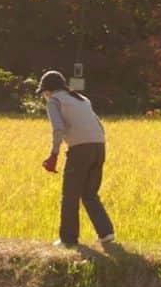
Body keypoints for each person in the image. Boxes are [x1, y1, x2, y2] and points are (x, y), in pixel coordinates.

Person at [37, 69, 116, 249]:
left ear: (48, 90)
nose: (44, 96)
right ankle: (106, 233)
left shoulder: (54, 101)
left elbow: (57, 129)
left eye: (43, 92)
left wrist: (53, 154)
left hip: (80, 150)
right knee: (89, 193)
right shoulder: (82, 99)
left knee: (70, 195)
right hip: (99, 147)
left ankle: (68, 239)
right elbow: (99, 126)